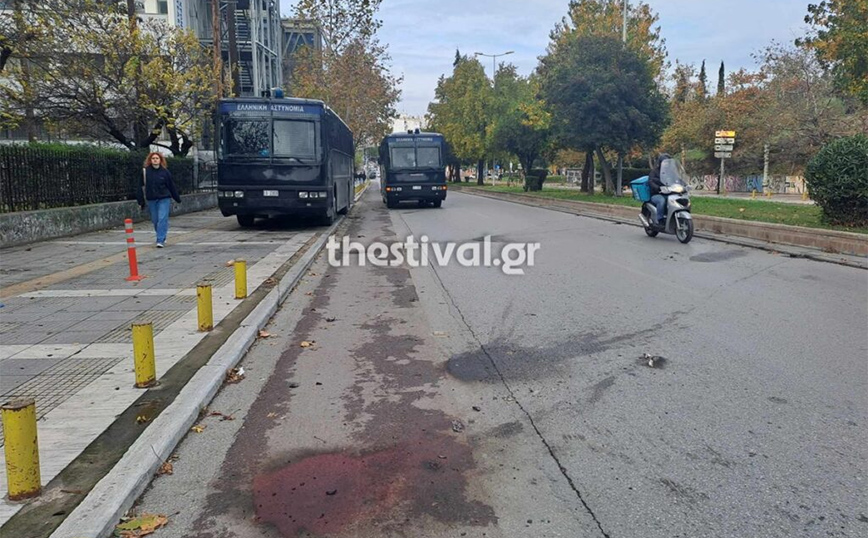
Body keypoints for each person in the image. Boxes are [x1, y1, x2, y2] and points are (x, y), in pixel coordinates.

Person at [137, 152, 182, 248]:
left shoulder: (165, 172)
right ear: (150, 160)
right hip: (151, 199)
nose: (155, 160)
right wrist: (140, 200)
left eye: (157, 158)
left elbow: (171, 186)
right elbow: (140, 186)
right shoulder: (145, 172)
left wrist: (177, 198)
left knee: (162, 218)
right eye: (153, 158)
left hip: (164, 198)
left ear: (160, 160)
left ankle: (160, 240)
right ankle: (162, 235)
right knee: (155, 220)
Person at [648, 153, 671, 225]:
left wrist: (684, 184)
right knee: (661, 201)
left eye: (668, 162)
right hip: (657, 193)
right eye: (665, 162)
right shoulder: (654, 171)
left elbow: (676, 179)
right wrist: (658, 188)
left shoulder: (670, 172)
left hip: (669, 193)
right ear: (660, 162)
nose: (666, 164)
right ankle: (660, 219)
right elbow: (651, 181)